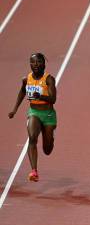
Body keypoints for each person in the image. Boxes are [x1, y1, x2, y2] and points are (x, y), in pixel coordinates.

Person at [8, 53, 57, 182]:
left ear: (44, 64)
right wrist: (14, 109)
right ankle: (34, 171)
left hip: (48, 115)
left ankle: (50, 138)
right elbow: (22, 91)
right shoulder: (26, 79)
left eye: (39, 62)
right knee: (32, 137)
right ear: (30, 64)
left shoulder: (49, 79)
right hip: (34, 112)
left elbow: (53, 99)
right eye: (33, 62)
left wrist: (40, 96)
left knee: (47, 150)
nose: (36, 64)